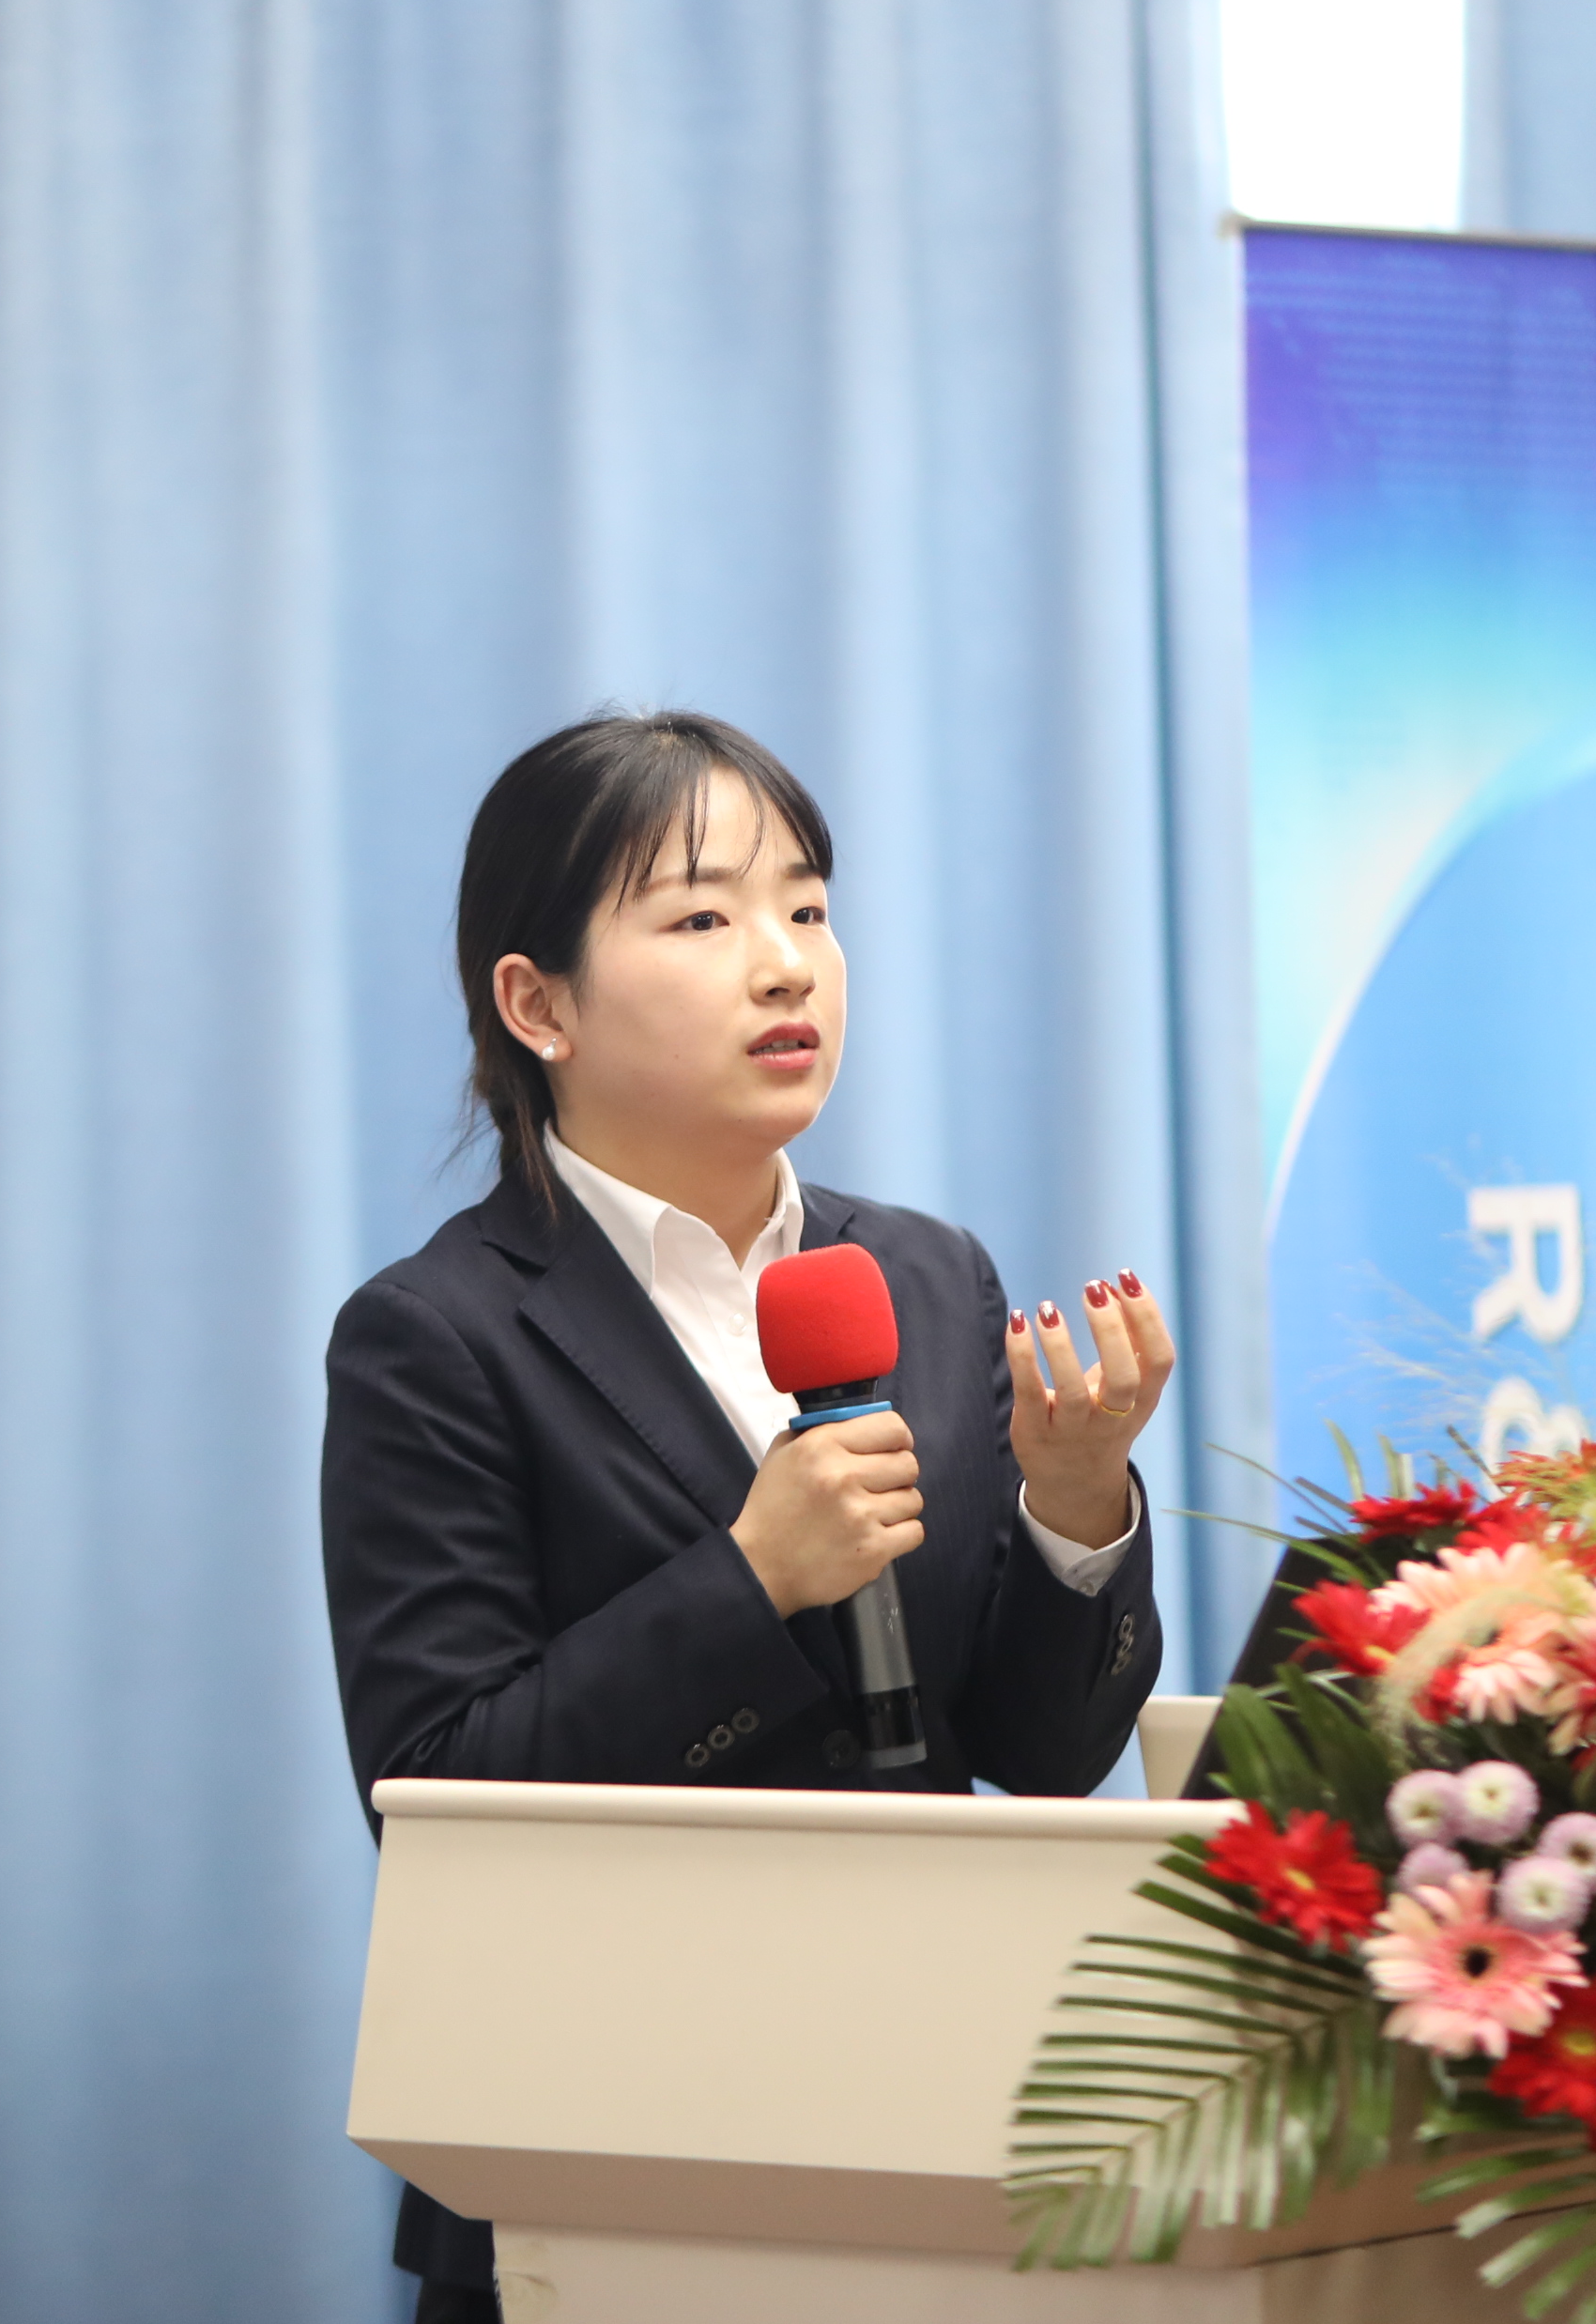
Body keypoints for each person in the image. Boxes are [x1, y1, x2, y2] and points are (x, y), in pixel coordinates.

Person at [321, 710, 1176, 2321]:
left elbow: (1043, 1754)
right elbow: (433, 1789)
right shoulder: (438, 1336)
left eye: (808, 908)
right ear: (539, 1004)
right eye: (704, 919)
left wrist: (1076, 1509)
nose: (787, 967)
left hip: (929, 2124)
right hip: (605, 2160)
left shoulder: (922, 1275)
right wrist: (752, 1577)